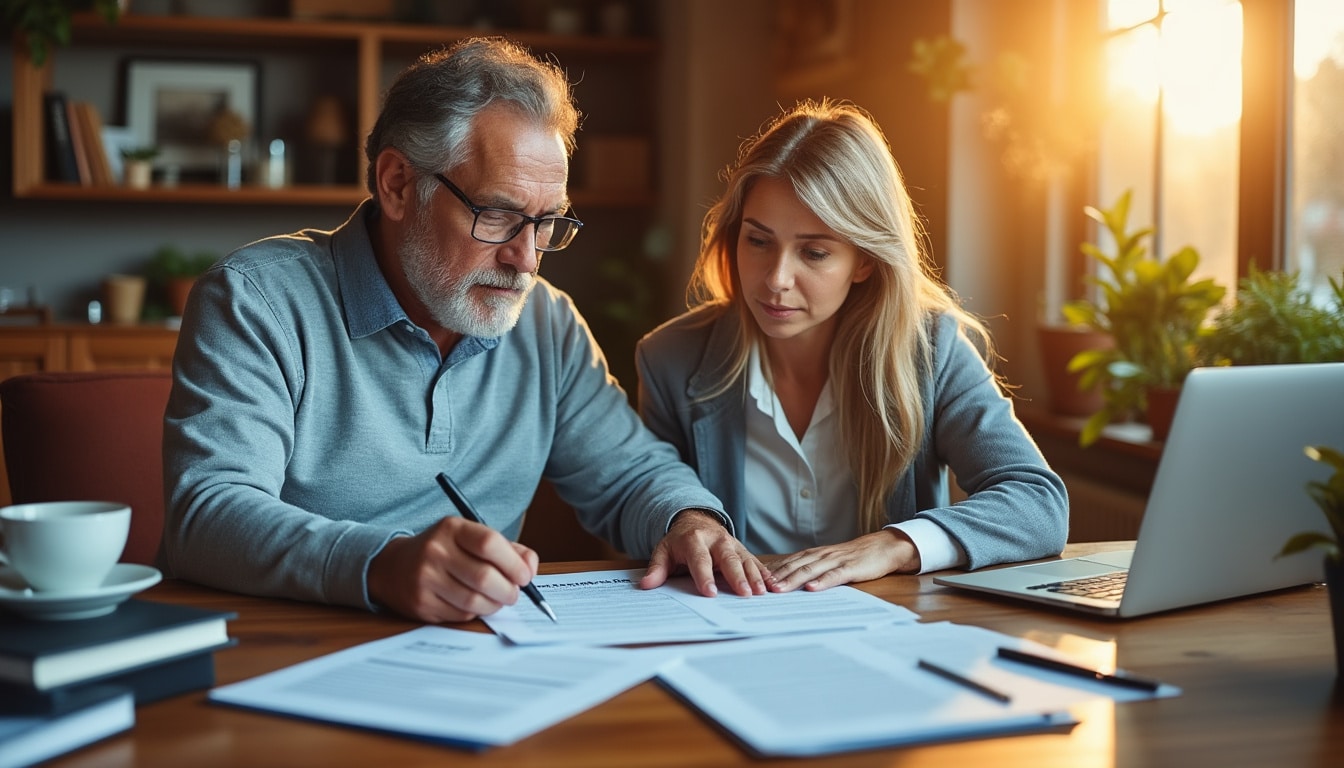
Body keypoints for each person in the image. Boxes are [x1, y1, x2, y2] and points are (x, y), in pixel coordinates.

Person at [161, 37, 768, 625]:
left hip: (471, 658)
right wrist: (383, 565)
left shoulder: (546, 322)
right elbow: (207, 515)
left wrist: (689, 521)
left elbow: (631, 476)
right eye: (499, 214)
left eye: (547, 222)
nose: (527, 259)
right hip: (277, 657)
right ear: (397, 184)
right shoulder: (257, 298)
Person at [635, 99, 1068, 594]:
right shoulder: (672, 358)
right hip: (734, 623)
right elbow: (646, 493)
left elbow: (1038, 502)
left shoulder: (931, 349)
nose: (776, 279)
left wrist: (896, 544)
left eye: (814, 252)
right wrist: (684, 520)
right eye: (758, 241)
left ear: (864, 261)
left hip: (887, 628)